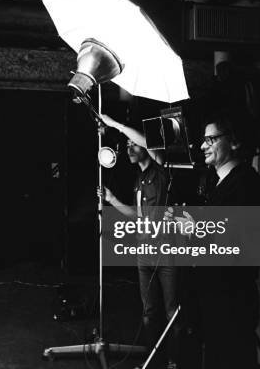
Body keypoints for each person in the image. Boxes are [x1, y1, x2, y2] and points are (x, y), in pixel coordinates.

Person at [169, 110, 260, 369]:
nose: (203, 146)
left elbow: (238, 244)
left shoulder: (247, 185)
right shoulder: (221, 183)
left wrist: (196, 230)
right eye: (204, 140)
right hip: (214, 302)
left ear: (233, 142)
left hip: (231, 303)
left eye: (211, 140)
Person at [100, 115, 179, 369]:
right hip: (143, 252)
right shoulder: (138, 180)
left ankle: (174, 363)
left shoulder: (159, 169)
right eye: (127, 146)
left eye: (133, 145)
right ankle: (153, 362)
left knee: (171, 312)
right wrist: (111, 200)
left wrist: (115, 125)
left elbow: (148, 144)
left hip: (165, 254)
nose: (129, 149)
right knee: (148, 315)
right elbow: (137, 215)